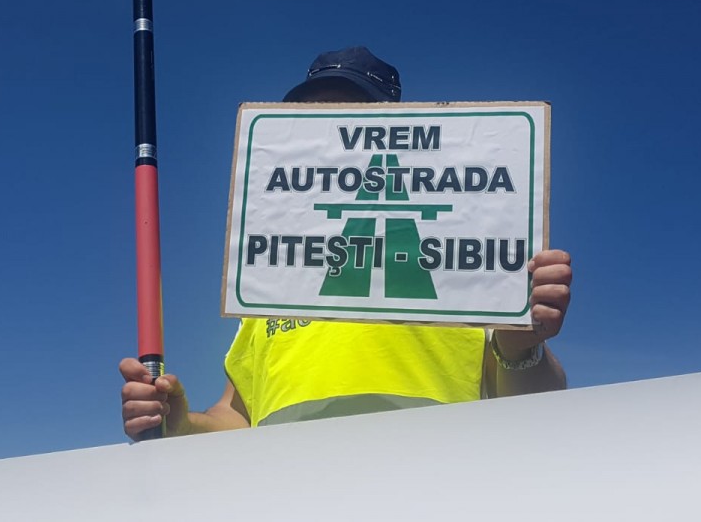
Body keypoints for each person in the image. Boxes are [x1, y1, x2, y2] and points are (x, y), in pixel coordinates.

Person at [120, 46, 572, 439]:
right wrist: (181, 423)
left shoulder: (467, 267)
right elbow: (238, 416)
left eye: (347, 112)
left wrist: (522, 346)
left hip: (433, 491)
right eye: (312, 118)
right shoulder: (268, 280)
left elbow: (538, 406)